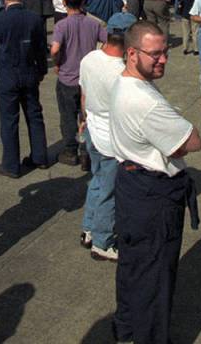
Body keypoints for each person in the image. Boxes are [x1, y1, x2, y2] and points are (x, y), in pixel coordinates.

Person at [110, 21, 201, 344]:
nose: (163, 59)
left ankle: (126, 330)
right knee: (156, 279)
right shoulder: (145, 102)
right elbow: (191, 142)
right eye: (155, 54)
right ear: (132, 53)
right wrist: (180, 122)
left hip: (131, 184)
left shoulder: (125, 82)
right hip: (153, 195)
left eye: (166, 52)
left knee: (134, 267)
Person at [78, 17, 129, 262]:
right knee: (109, 189)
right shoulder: (122, 72)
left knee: (97, 181)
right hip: (110, 138)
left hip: (92, 129)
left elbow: (84, 94)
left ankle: (88, 227)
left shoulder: (89, 58)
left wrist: (84, 118)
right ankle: (102, 241)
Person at [0, 0, 49, 177]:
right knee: (34, 114)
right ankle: (40, 156)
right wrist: (42, 70)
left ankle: (11, 164)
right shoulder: (33, 18)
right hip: (28, 70)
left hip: (8, 72)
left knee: (9, 120)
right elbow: (41, 48)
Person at [51, 0, 108, 167]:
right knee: (87, 115)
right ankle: (86, 151)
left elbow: (54, 49)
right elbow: (108, 41)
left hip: (68, 77)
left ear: (65, 4)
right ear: (82, 3)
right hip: (88, 78)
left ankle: (70, 150)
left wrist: (57, 63)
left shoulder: (61, 25)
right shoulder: (93, 24)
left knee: (68, 116)